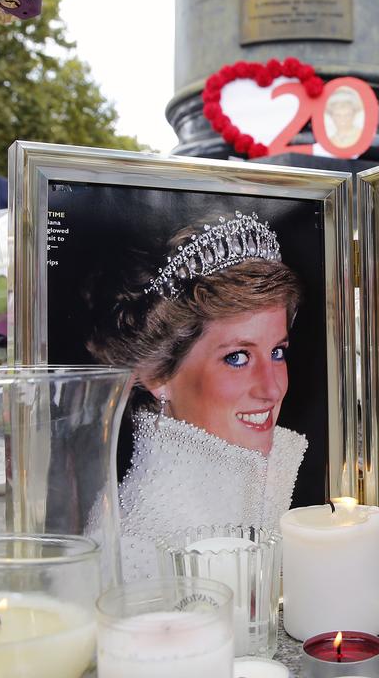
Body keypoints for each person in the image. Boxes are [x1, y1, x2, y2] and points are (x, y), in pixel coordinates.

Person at [89, 211, 308, 580]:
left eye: (277, 352)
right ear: (158, 374)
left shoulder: (265, 494)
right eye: (237, 358)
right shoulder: (136, 551)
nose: (272, 388)